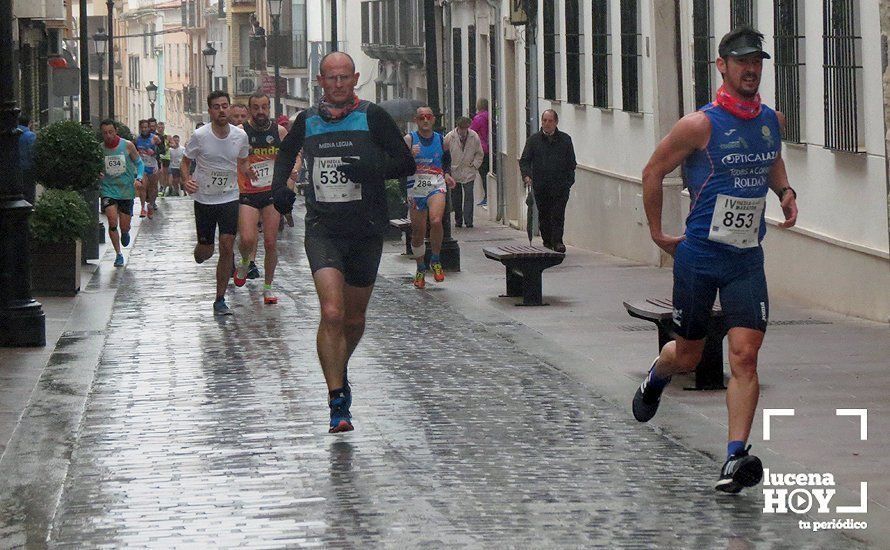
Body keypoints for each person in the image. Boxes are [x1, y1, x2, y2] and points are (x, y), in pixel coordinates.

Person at [631, 26, 798, 494]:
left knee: (745, 356)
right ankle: (655, 377)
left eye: (757, 62)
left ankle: (734, 457)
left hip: (745, 258)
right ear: (721, 67)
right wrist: (659, 234)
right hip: (700, 255)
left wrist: (784, 191)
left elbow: (770, 159)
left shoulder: (771, 120)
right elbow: (653, 170)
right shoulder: (699, 125)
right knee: (689, 355)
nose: (751, 69)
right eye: (742, 61)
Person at [271, 51, 414, 433]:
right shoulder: (308, 120)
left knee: (354, 318)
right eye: (330, 79)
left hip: (366, 228)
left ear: (354, 80)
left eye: (343, 78)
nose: (337, 85)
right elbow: (286, 155)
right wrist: (278, 189)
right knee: (332, 314)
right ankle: (337, 399)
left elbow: (405, 163)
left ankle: (338, 365)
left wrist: (372, 170)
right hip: (323, 228)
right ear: (320, 81)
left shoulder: (372, 117)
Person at [180, 91, 253, 316]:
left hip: (230, 197)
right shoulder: (200, 136)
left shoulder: (240, 137)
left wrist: (249, 171)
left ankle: (220, 299)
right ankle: (200, 250)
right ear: (210, 111)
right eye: (216, 107)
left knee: (227, 245)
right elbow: (185, 162)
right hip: (204, 199)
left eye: (225, 106)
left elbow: (242, 161)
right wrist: (186, 180)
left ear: (229, 108)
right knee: (206, 252)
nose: (221, 110)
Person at [233, 92, 287, 305]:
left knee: (271, 242)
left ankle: (268, 287)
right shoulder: (240, 132)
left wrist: (292, 173)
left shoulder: (279, 131)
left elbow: (293, 156)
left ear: (269, 108)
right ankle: (245, 261)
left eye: (264, 107)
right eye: (256, 108)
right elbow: (232, 158)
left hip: (271, 193)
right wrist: (244, 167)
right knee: (247, 238)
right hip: (248, 192)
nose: (261, 112)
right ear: (249, 110)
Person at [404, 106, 455, 289]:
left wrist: (448, 175)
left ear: (433, 120)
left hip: (436, 185)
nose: (425, 120)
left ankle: (435, 259)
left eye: (428, 117)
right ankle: (420, 267)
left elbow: (446, 162)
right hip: (416, 188)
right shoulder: (409, 140)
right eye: (421, 117)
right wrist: (409, 157)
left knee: (435, 220)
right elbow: (399, 164)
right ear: (416, 120)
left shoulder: (442, 141)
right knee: (418, 231)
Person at [519, 109, 576, 253]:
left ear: (556, 122)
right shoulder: (534, 140)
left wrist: (569, 181)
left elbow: (571, 162)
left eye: (550, 121)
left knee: (558, 213)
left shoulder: (565, 140)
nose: (547, 124)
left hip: (560, 185)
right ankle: (547, 239)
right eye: (544, 121)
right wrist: (527, 176)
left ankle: (557, 241)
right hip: (541, 185)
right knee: (544, 213)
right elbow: (525, 160)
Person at [98, 119, 144, 267]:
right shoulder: (100, 149)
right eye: (105, 133)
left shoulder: (127, 146)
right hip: (108, 189)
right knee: (112, 221)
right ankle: (118, 254)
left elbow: (139, 163)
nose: (108, 135)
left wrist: (139, 178)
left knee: (124, 226)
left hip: (125, 191)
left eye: (111, 132)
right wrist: (98, 173)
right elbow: (98, 166)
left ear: (116, 130)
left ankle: (125, 232)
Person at [444, 116, 483, 228]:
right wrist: (447, 169)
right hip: (454, 171)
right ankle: (458, 220)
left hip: (468, 170)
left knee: (469, 195)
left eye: (465, 129)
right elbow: (445, 154)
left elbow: (479, 153)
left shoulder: (474, 136)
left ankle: (469, 220)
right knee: (456, 197)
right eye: (461, 129)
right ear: (458, 127)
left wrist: (475, 165)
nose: (463, 131)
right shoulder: (450, 137)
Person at [135, 119, 162, 218]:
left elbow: (162, 150)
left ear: (149, 128)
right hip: (143, 166)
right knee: (143, 186)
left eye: (146, 127)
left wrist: (154, 151)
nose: (144, 129)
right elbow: (134, 152)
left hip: (153, 166)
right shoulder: (137, 139)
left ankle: (151, 204)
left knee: (153, 187)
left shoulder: (154, 138)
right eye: (142, 127)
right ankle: (142, 208)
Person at [470, 98, 490, 206]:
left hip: (482, 148)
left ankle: (486, 196)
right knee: (487, 171)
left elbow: (471, 131)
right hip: (490, 148)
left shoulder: (478, 118)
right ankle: (487, 195)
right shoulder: (489, 116)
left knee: (483, 173)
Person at [16, 114, 37, 204]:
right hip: (27, 169)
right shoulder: (30, 136)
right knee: (29, 195)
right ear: (29, 123)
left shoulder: (13, 134)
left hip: (14, 170)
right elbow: (33, 153)